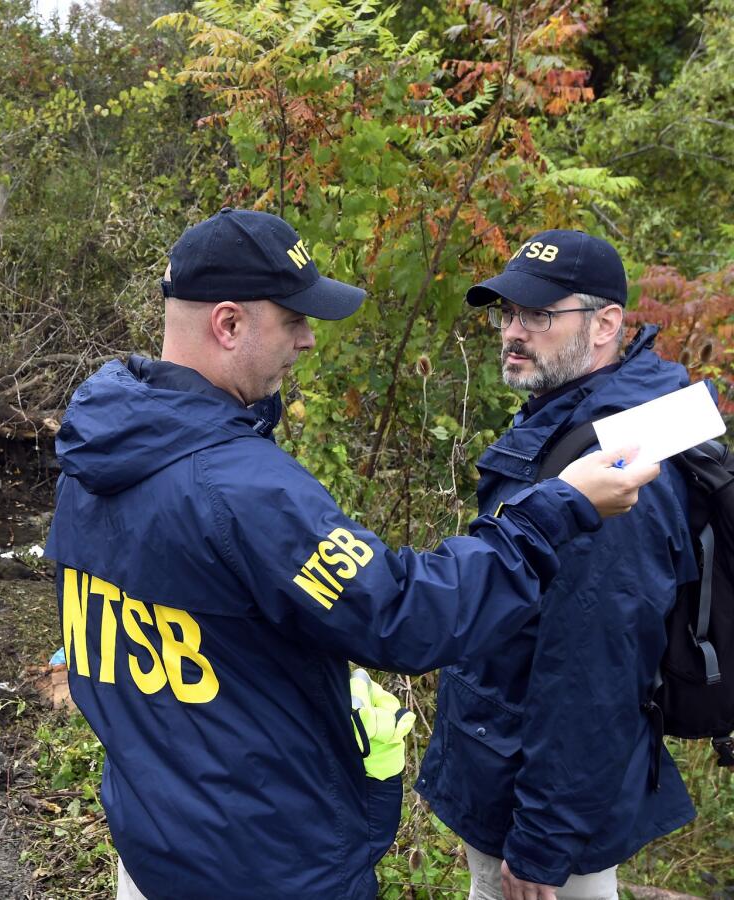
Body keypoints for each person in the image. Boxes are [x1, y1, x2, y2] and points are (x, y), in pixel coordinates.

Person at [43, 209, 659, 900]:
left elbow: (175, 628)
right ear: (228, 324)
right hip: (264, 864)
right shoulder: (241, 488)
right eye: (295, 319)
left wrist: (300, 667)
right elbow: (405, 612)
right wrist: (560, 509)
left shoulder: (99, 447)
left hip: (155, 841)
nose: (308, 340)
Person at [416, 230, 699, 900]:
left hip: (537, 806)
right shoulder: (569, 415)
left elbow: (595, 661)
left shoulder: (619, 456)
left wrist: (545, 837)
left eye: (540, 315)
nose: (513, 332)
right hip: (506, 766)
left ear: (605, 324)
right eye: (508, 314)